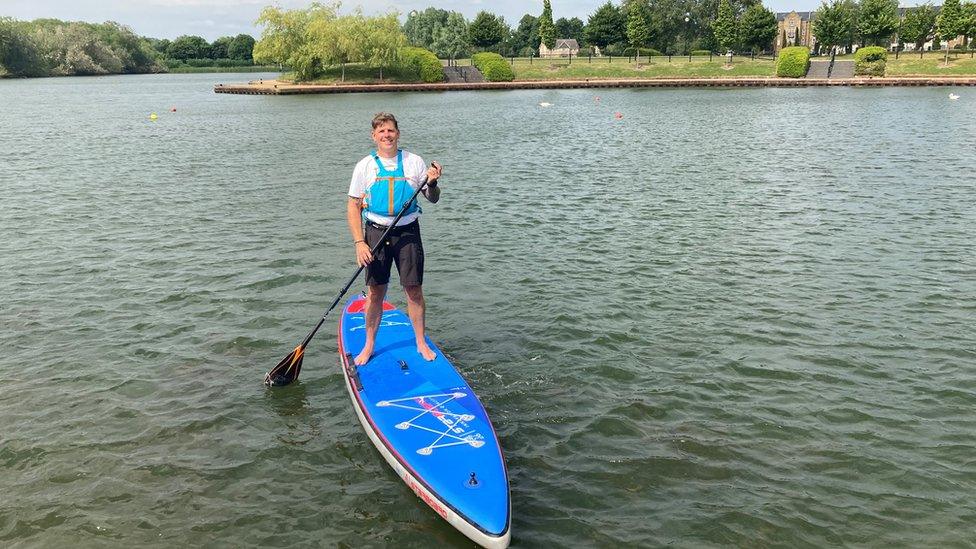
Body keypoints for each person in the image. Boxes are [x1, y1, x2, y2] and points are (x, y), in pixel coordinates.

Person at [346, 112, 443, 366]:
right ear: (374, 136)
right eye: (381, 131)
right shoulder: (364, 166)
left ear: (397, 133)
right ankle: (369, 346)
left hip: (408, 233)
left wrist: (432, 184)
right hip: (376, 233)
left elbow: (432, 198)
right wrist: (359, 242)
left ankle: (420, 342)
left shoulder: (414, 162)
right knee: (376, 292)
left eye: (390, 130)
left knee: (414, 290)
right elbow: (353, 206)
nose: (386, 135)